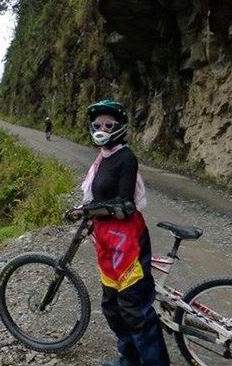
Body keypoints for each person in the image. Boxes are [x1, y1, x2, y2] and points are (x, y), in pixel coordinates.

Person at [71, 98, 170, 366]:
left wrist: (90, 212)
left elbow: (125, 206)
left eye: (108, 124)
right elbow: (99, 198)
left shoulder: (125, 158)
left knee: (134, 310)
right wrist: (84, 209)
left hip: (128, 243)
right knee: (113, 308)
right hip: (107, 243)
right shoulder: (102, 159)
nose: (101, 128)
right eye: (96, 124)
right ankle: (129, 360)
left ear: (119, 127)